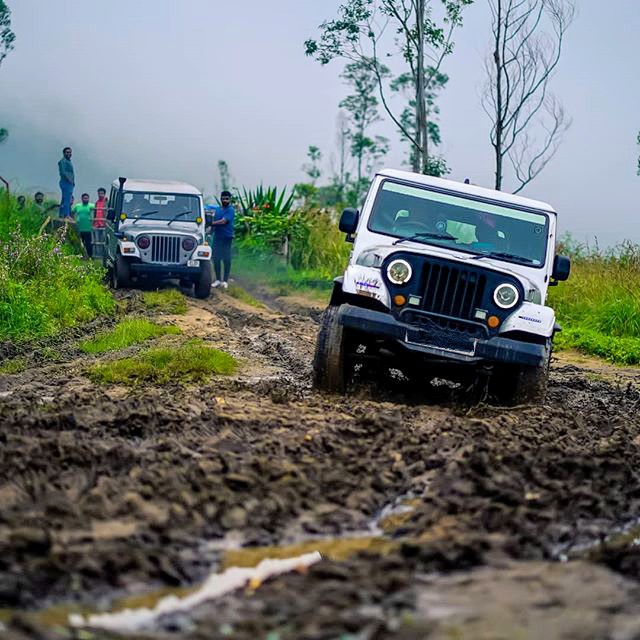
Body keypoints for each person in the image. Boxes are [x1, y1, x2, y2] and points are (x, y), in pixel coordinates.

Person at [210, 190, 235, 289]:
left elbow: (224, 221)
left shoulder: (230, 210)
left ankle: (225, 281)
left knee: (226, 259)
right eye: (223, 198)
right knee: (216, 258)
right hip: (217, 236)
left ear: (230, 200)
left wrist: (211, 223)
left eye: (227, 199)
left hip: (227, 237)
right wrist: (211, 229)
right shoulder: (217, 210)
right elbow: (214, 223)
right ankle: (217, 280)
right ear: (220, 199)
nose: (225, 200)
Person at [72, 193, 95, 258]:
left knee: (88, 243)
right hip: (79, 228)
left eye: (87, 198)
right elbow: (72, 212)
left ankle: (89, 256)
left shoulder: (91, 206)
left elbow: (98, 210)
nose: (85, 199)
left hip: (88, 228)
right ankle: (79, 255)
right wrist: (73, 221)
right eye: (84, 198)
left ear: (88, 199)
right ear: (82, 199)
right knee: (79, 243)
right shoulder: (77, 206)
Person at [58, 146, 75, 218]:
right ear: (64, 153)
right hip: (66, 183)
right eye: (67, 152)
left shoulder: (68, 161)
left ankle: (61, 213)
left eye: (70, 152)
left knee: (64, 199)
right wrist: (70, 180)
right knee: (67, 199)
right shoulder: (63, 161)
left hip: (69, 183)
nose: (69, 154)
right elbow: (63, 172)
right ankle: (66, 214)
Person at [92, 188, 108, 257]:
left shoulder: (107, 202)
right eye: (99, 193)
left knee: (103, 240)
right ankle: (98, 255)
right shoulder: (96, 202)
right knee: (97, 240)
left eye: (102, 193)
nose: (100, 195)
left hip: (104, 224)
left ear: (104, 194)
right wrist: (93, 222)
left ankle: (104, 255)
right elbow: (95, 213)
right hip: (97, 224)